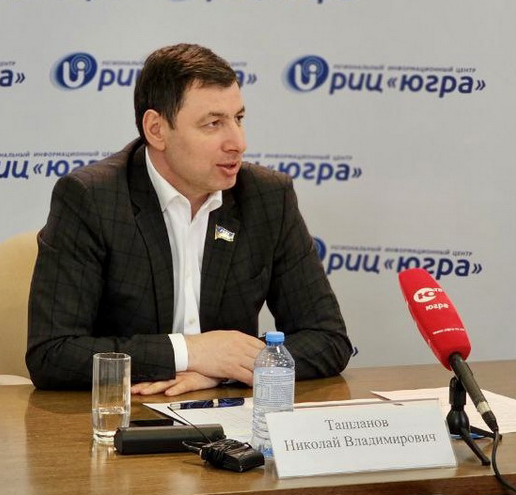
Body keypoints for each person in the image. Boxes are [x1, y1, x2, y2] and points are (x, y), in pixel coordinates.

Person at [27, 43, 351, 396]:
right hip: (127, 414)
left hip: (228, 413)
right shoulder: (92, 198)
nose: (238, 142)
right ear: (157, 130)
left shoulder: (266, 197)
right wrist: (190, 352)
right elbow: (53, 354)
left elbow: (328, 339)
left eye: (238, 119)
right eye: (213, 124)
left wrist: (224, 371)